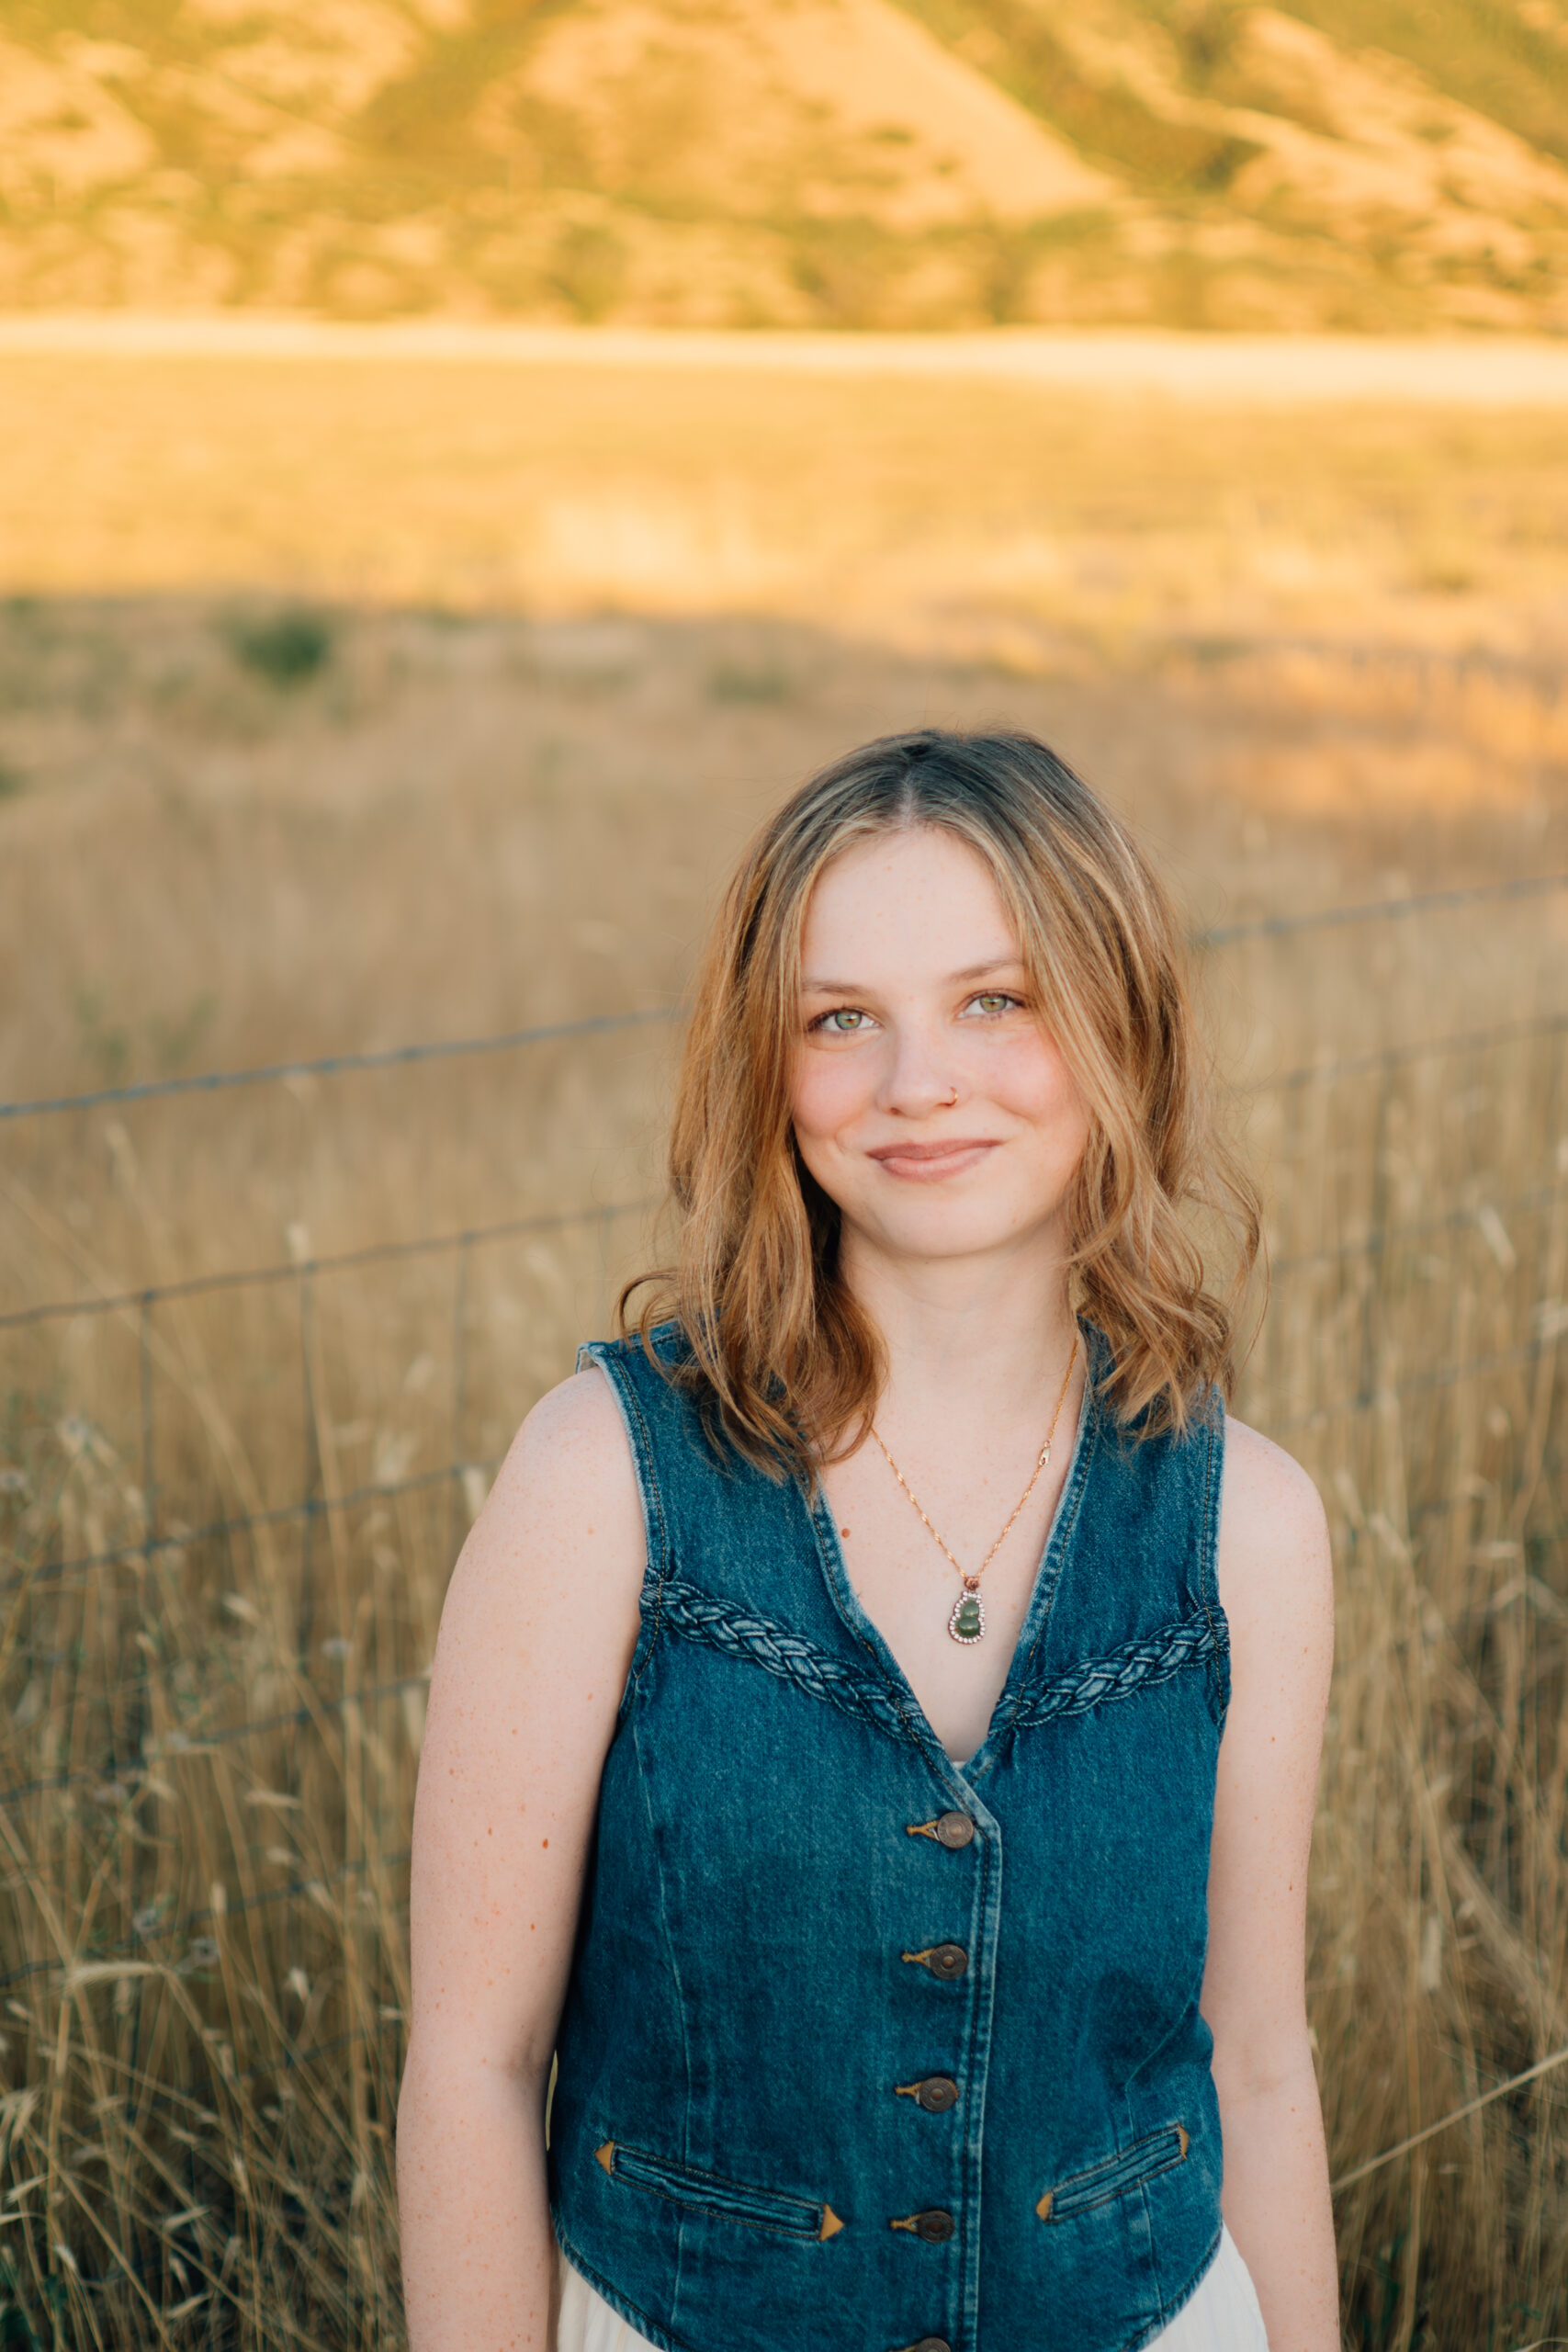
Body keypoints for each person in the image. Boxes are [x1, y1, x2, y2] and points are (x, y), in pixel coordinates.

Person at [397, 730, 1338, 2352]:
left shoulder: (1246, 1521)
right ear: (767, 1067)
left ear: (1123, 1019)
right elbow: (473, 2068)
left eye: (998, 999)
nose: (919, 1084)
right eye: (841, 1020)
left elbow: (1255, 2056)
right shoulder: (602, 1484)